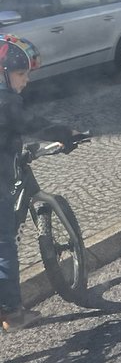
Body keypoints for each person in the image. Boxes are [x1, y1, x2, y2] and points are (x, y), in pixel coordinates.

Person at [0, 35, 79, 331]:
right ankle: (12, 312)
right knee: (3, 243)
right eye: (22, 73)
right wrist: (65, 132)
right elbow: (29, 123)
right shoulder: (5, 101)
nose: (26, 80)